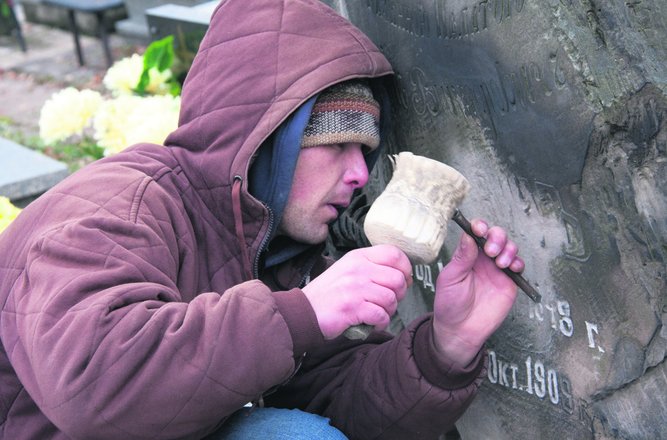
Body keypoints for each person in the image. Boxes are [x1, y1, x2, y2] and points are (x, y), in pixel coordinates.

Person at [0, 1, 524, 439]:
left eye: (366, 150)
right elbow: (94, 382)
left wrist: (449, 345)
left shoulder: (273, 245)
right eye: (338, 145)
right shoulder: (115, 208)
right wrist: (302, 314)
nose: (361, 174)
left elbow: (333, 401)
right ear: (270, 138)